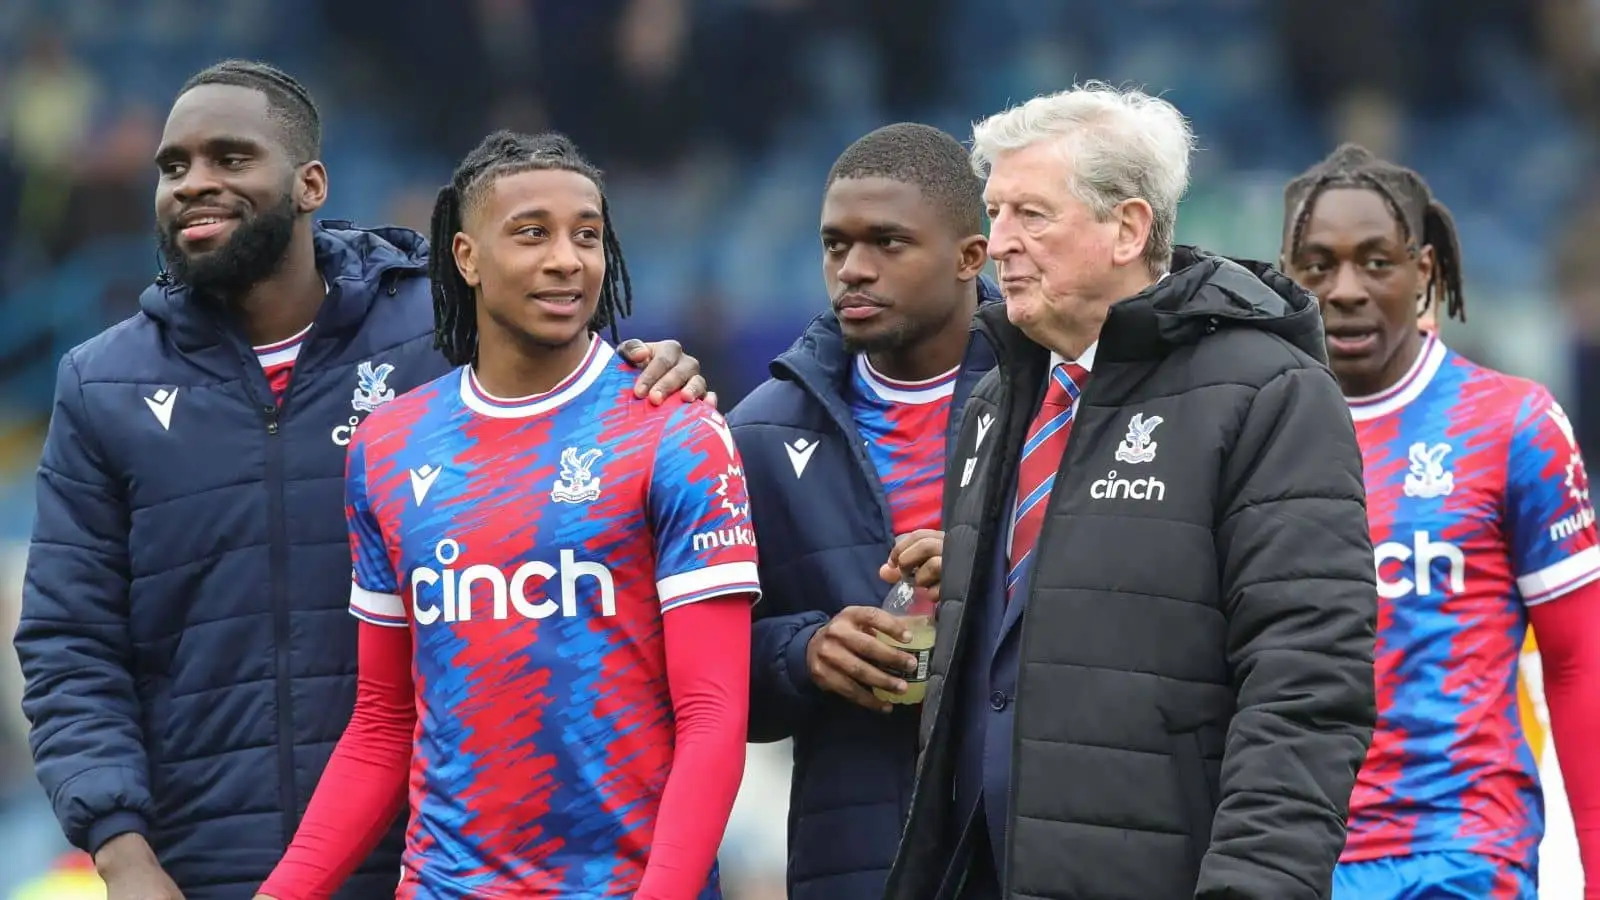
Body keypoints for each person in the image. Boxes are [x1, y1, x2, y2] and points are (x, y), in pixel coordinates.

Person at [14, 61, 708, 900]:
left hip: (431, 861)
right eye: (173, 167)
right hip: (200, 867)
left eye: (230, 159)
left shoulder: (439, 331)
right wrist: (124, 858)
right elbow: (68, 646)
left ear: (310, 183)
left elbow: (586, 401)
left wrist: (654, 367)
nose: (194, 183)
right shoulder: (103, 385)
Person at [882, 83, 1379, 900]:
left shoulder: (1268, 393)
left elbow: (1306, 681)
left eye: (1030, 215)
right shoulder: (994, 405)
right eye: (994, 210)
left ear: (1128, 229)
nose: (997, 242)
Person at [254, 129, 757, 900]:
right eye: (532, 234)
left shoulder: (675, 430)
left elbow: (713, 714)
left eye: (587, 236)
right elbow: (385, 723)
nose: (567, 259)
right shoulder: (388, 446)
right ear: (466, 258)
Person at [1280, 143, 1600, 900]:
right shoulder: (1250, 432)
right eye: (1319, 266)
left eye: (1376, 263)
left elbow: (1580, 660)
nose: (1346, 290)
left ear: (1424, 272)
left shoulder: (1511, 425)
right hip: (1292, 857)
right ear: (1288, 278)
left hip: (1461, 855)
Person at [728, 122, 996, 900]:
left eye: (886, 243)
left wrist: (996, 575)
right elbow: (704, 675)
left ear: (970, 257)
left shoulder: (1055, 403)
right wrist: (804, 653)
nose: (853, 270)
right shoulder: (761, 433)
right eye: (835, 246)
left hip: (1024, 838)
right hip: (854, 854)